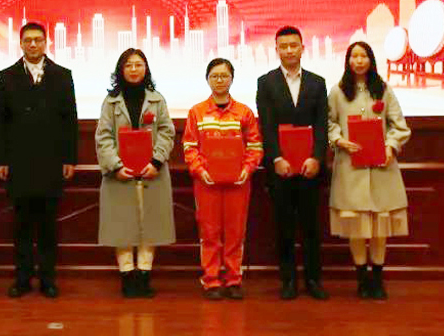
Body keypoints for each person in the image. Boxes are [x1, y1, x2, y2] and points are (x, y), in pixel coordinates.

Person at [0, 22, 78, 298]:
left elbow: (70, 120)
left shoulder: (62, 75)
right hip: (18, 162)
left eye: (38, 40)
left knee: (48, 226)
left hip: (51, 162)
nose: (32, 44)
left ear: (45, 42)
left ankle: (48, 279)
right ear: (20, 43)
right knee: (22, 225)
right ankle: (22, 278)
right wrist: (0, 159)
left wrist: (70, 158)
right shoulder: (6, 77)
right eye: (28, 40)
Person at [328, 41, 411, 300]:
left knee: (379, 228)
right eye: (354, 56)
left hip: (382, 168)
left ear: (371, 60)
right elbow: (328, 123)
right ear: (348, 61)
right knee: (356, 227)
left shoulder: (384, 90)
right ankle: (361, 279)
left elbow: (399, 126)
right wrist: (340, 140)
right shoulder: (338, 92)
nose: (359, 61)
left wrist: (390, 147)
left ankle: (377, 278)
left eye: (363, 56)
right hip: (350, 168)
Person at [255, 26, 330, 300]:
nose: (289, 50)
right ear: (276, 50)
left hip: (310, 168)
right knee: (284, 227)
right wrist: (275, 158)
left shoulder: (317, 83)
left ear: (302, 48)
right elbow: (266, 125)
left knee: (311, 227)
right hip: (281, 169)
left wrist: (317, 157)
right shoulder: (266, 83)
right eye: (283, 46)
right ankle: (288, 281)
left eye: (293, 45)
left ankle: (313, 280)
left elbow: (321, 125)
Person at [95, 48, 176, 298]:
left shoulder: (157, 100)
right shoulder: (110, 102)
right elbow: (103, 137)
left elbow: (167, 132)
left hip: (152, 173)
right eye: (128, 65)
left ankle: (144, 277)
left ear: (146, 68)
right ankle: (127, 278)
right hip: (120, 175)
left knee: (150, 225)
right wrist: (116, 166)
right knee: (122, 226)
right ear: (121, 70)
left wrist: (157, 161)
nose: (133, 69)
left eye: (138, 64)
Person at [183, 58, 263, 300]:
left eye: (224, 76)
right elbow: (189, 147)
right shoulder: (197, 112)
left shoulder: (244, 112)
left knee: (235, 233)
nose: (219, 80)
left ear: (232, 79)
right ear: (207, 79)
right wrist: (200, 170)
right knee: (210, 233)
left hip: (238, 183)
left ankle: (233, 279)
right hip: (207, 183)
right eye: (215, 76)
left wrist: (247, 169)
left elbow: (255, 146)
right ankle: (211, 280)